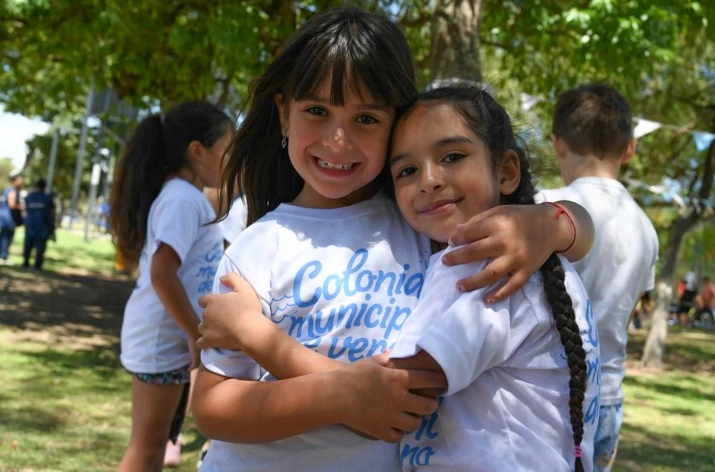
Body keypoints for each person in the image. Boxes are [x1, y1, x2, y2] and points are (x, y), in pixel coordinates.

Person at [192, 7, 595, 471]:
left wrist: (550, 224)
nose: (338, 139)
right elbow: (213, 407)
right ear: (284, 114)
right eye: (317, 111)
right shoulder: (258, 247)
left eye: (366, 118)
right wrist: (338, 395)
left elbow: (584, 234)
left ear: (397, 122)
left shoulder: (425, 219)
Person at [536, 83, 659, 472]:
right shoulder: (647, 229)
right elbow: (625, 315)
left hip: (544, 392)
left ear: (557, 143)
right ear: (630, 147)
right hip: (607, 397)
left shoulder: (542, 207)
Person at [110, 100, 233, 472]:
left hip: (163, 338)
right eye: (228, 150)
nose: (233, 161)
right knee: (146, 450)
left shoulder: (184, 196)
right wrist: (193, 333)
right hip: (161, 341)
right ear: (197, 151)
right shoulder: (182, 198)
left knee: (153, 446)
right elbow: (162, 273)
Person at [22, 178, 55, 270]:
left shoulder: (29, 197)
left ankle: (25, 262)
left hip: (30, 224)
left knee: (28, 244)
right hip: (42, 225)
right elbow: (52, 213)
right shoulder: (47, 198)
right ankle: (37, 265)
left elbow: (25, 210)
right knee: (40, 246)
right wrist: (52, 226)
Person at [0, 174, 25, 264]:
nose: (22, 183)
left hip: (3, 217)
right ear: (14, 181)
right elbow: (12, 204)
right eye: (20, 181)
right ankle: (3, 256)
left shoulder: (5, 190)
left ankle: (3, 256)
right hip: (8, 218)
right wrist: (21, 207)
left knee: (3, 236)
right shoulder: (12, 191)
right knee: (7, 237)